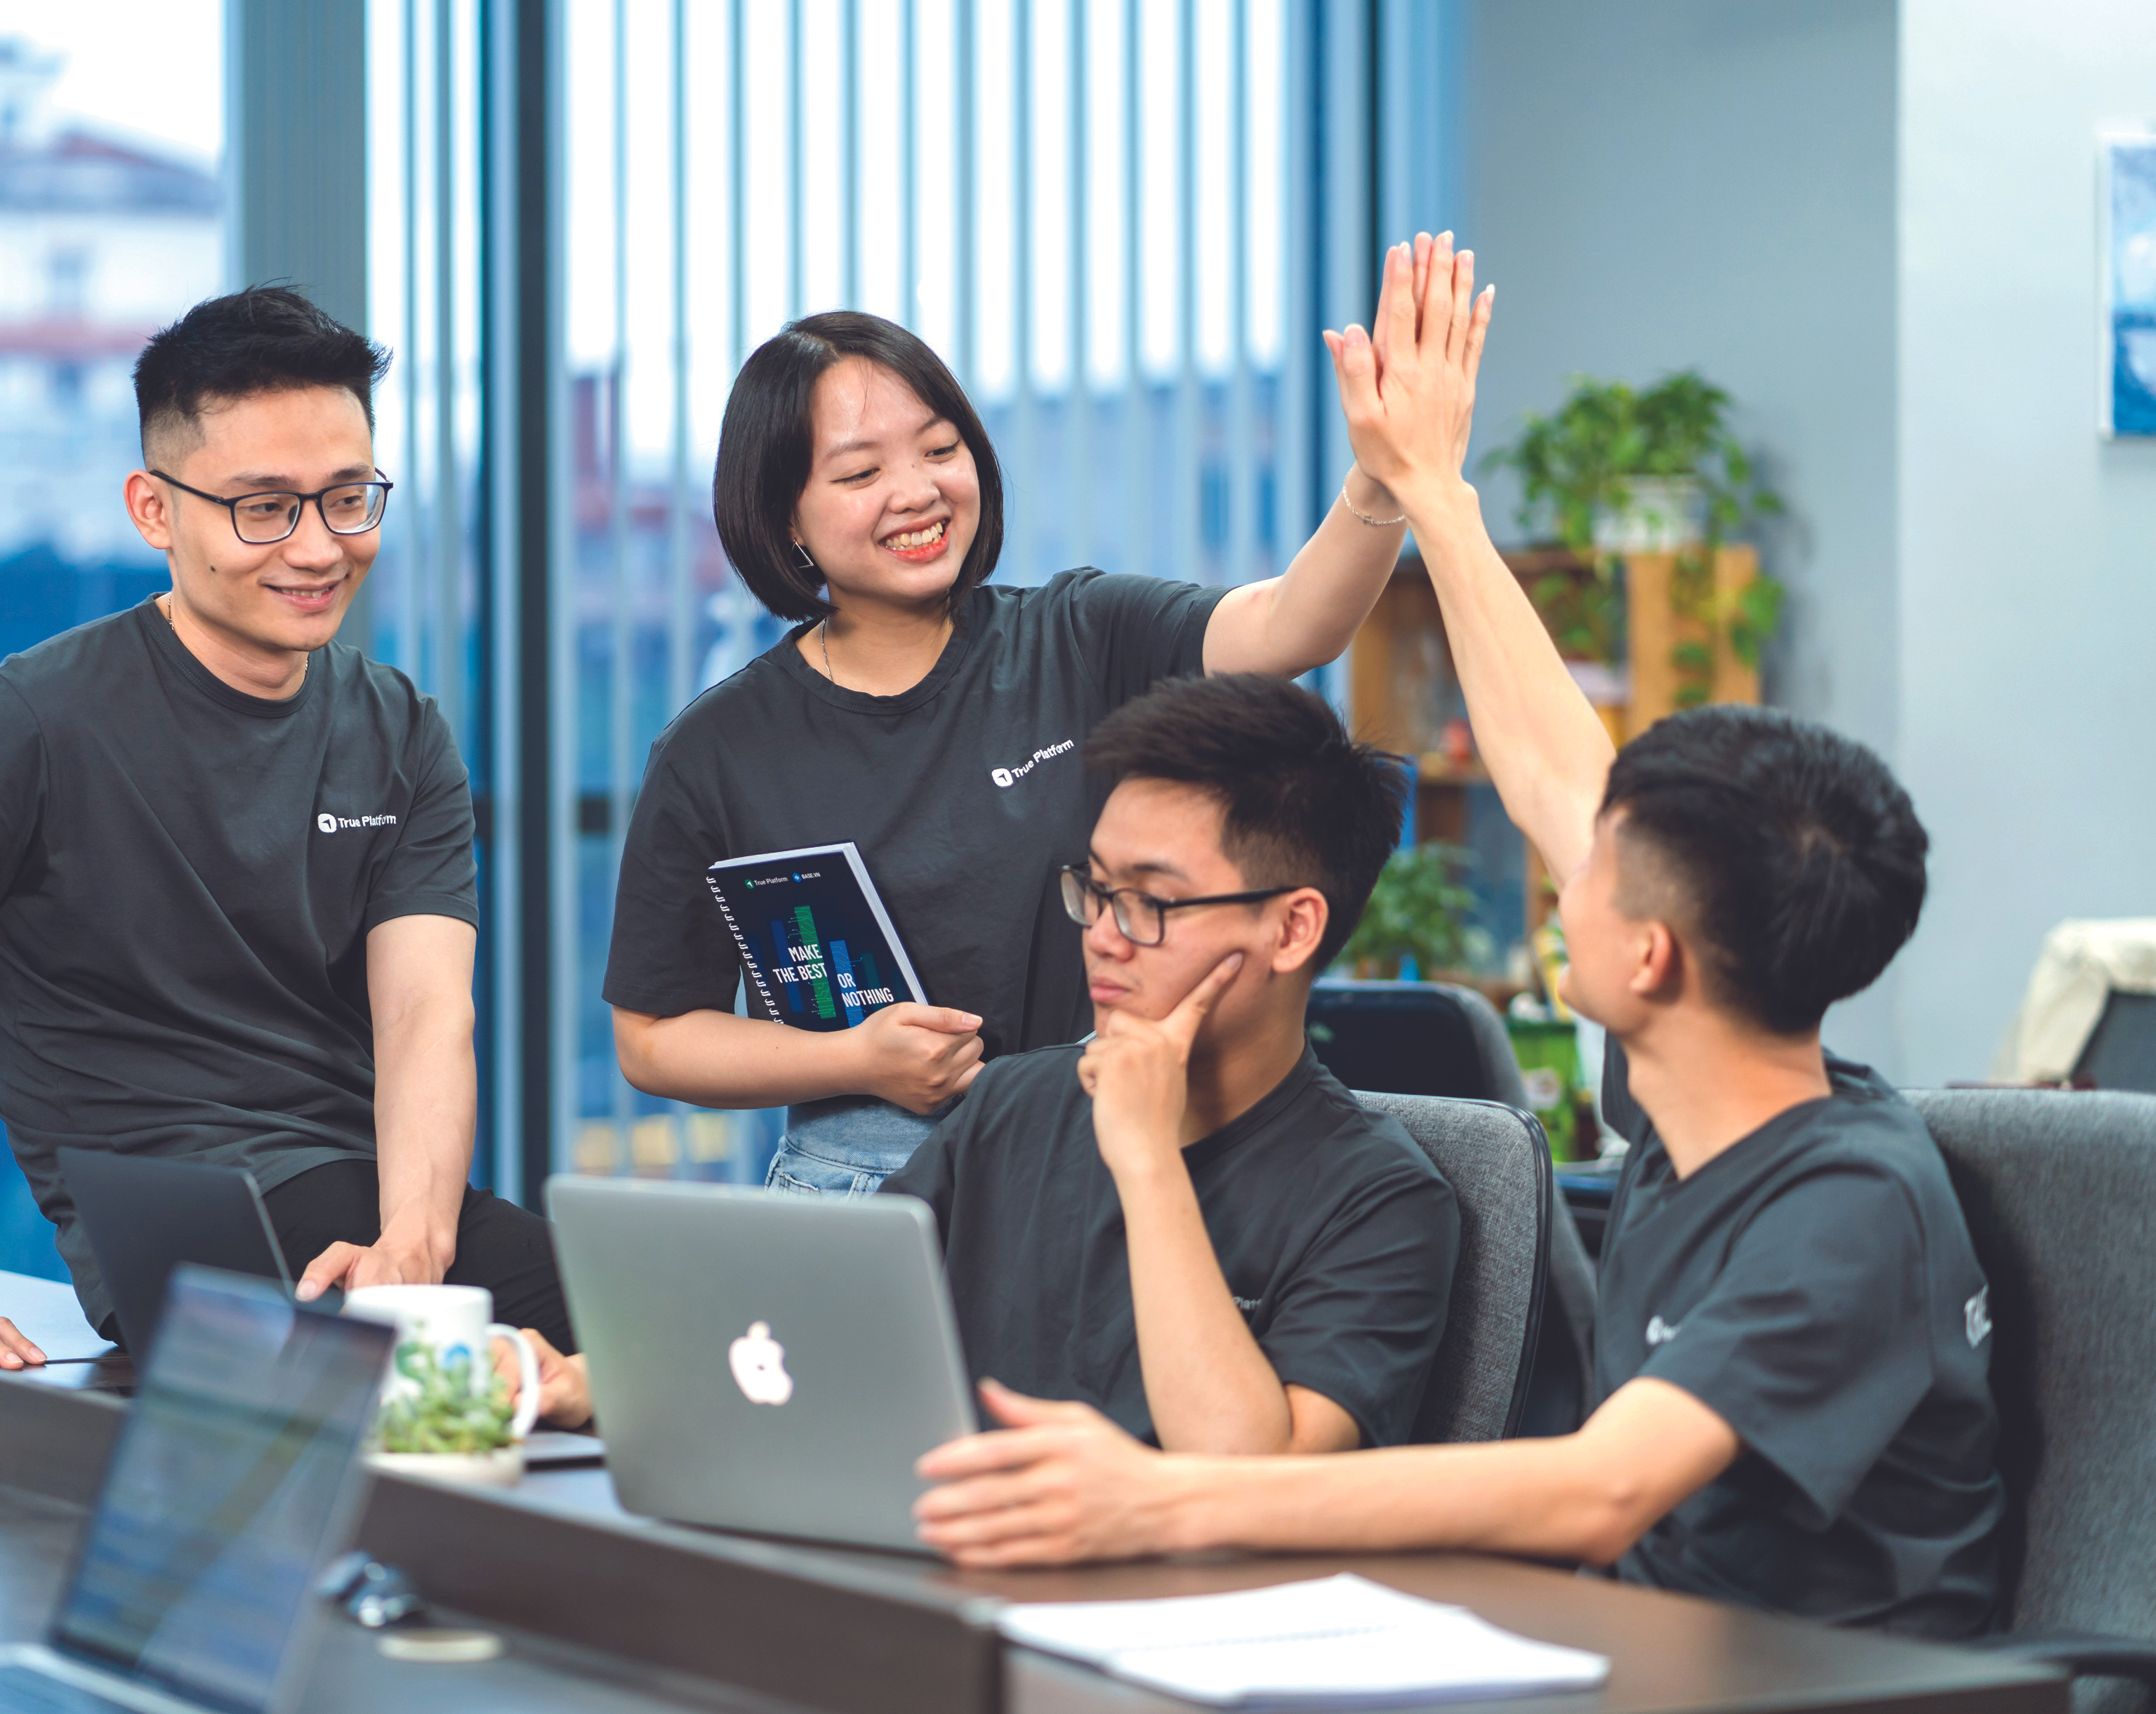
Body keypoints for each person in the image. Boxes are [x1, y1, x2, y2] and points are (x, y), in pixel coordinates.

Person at [908, 235, 2004, 1640]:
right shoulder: (1698, 1079)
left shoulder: (1843, 1206)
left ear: (1650, 958)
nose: (1559, 876)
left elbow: (1599, 1491)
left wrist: (1164, 1500)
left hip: (1824, 1680)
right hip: (1650, 1649)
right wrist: (1429, 491)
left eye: (1589, 877)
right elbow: (1554, 769)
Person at [0, 286, 571, 1367]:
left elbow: (425, 1013)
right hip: (173, 1224)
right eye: (264, 507)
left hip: (367, 1201)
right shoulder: (27, 723)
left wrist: (412, 1249)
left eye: (347, 498)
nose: (317, 547)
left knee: (658, 1340)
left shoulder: (401, 730)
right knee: (404, 1381)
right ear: (154, 511)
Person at [602, 292, 1453, 1193]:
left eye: (940, 450)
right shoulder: (718, 750)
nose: (917, 492)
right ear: (785, 518)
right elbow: (653, 1038)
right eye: (860, 474)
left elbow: (1291, 626)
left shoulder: (1079, 634)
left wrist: (1380, 479)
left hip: (1097, 1150)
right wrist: (856, 1059)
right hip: (860, 1178)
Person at [524, 674, 1460, 1456]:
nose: (1103, 936)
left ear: (1292, 929)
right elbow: (816, 1315)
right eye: (1094, 888)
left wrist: (1144, 1158)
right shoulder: (1014, 1103)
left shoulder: (1378, 1199)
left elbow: (1242, 1480)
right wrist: (593, 1377)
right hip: (941, 1560)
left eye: (1150, 903)